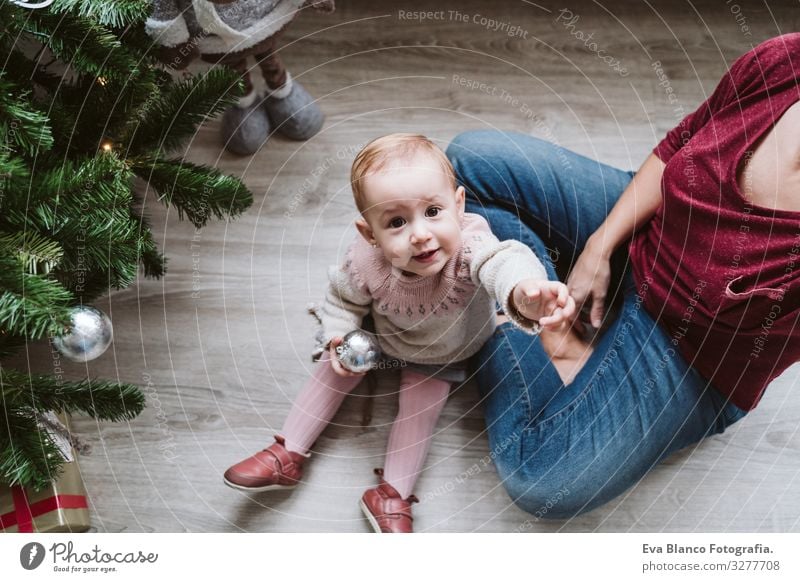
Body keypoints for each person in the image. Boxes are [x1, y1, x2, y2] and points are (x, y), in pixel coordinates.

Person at [445, 33, 800, 520]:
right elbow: (681, 142)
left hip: (688, 350)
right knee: (467, 163)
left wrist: (531, 313)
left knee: (540, 476)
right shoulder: (787, 59)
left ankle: (534, 323)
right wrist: (601, 244)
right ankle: (538, 296)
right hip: (650, 226)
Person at [223, 133, 579, 532]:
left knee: (419, 409)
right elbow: (342, 302)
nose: (421, 234)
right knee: (332, 365)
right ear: (369, 233)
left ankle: (391, 493)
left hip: (446, 351)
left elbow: (502, 260)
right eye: (396, 222)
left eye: (433, 211)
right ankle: (286, 452)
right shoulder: (365, 262)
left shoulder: (470, 245)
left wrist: (524, 288)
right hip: (383, 337)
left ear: (458, 206)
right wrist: (338, 336)